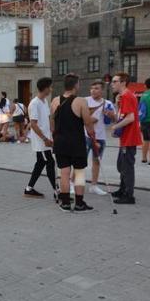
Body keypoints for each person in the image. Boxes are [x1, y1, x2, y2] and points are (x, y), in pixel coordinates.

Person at [51, 74, 96, 212]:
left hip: (60, 141)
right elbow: (88, 123)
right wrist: (92, 136)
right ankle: (79, 203)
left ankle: (65, 203)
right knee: (79, 172)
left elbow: (52, 123)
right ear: (76, 85)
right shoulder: (81, 101)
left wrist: (55, 135)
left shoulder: (54, 101)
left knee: (64, 172)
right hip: (76, 142)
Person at [109, 73, 142, 204]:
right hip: (125, 137)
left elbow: (130, 118)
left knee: (127, 166)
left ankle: (129, 195)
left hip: (130, 137)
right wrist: (117, 105)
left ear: (123, 82)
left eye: (115, 81)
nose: (112, 84)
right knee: (122, 165)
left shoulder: (127, 95)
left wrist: (115, 126)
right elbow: (123, 116)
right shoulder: (123, 97)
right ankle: (123, 189)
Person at [24, 77, 57, 199]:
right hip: (41, 142)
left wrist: (52, 133)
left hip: (47, 140)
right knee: (50, 162)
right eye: (50, 86)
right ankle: (56, 191)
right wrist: (44, 139)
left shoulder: (44, 102)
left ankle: (29, 189)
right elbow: (33, 124)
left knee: (40, 163)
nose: (51, 89)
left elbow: (47, 119)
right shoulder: (34, 103)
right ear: (46, 88)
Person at [85, 81, 115, 195]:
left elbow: (114, 119)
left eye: (96, 88)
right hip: (86, 135)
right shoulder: (85, 101)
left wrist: (110, 114)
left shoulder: (107, 103)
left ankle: (94, 185)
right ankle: (74, 183)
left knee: (97, 161)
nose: (93, 90)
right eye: (92, 88)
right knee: (80, 162)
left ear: (101, 90)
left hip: (100, 137)